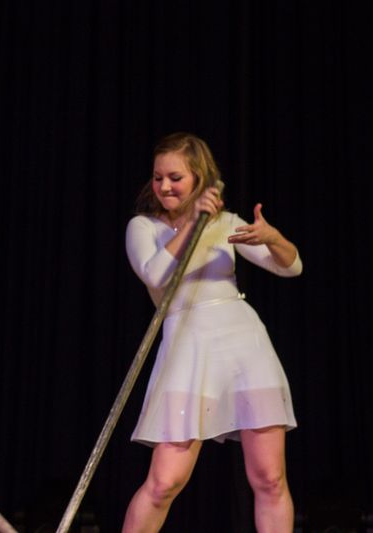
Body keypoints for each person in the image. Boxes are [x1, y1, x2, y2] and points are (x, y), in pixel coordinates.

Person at [122, 132, 302, 532]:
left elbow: (291, 266)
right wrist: (192, 225)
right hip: (188, 347)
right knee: (165, 481)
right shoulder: (143, 227)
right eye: (158, 177)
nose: (164, 186)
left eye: (175, 178)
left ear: (199, 178)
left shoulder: (227, 224)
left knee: (270, 478)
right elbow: (156, 275)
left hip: (244, 344)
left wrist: (274, 239)